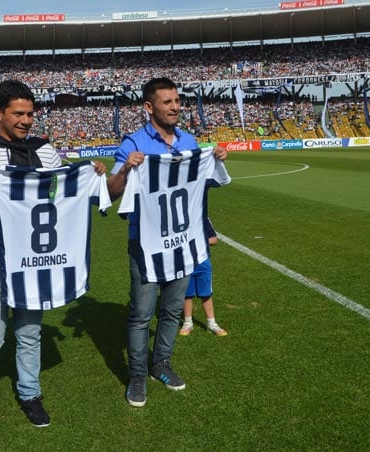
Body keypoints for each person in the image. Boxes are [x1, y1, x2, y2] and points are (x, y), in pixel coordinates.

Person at [0, 79, 106, 450]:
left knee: (29, 334)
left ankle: (30, 395)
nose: (27, 120)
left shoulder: (45, 151)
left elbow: (63, 193)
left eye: (30, 113)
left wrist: (91, 177)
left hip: (35, 262)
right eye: (18, 114)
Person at [106, 77, 229, 408]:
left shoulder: (189, 141)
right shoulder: (133, 143)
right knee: (141, 314)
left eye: (177, 101)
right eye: (167, 102)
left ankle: (161, 363)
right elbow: (110, 192)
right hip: (146, 245)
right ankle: (136, 375)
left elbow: (204, 185)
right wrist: (125, 171)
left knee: (172, 310)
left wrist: (215, 158)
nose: (175, 107)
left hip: (183, 241)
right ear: (149, 107)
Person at [179, 217, 227, 337]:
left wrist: (200, 241)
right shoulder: (178, 219)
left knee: (206, 293)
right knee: (187, 294)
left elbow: (214, 240)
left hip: (203, 263)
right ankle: (188, 322)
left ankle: (212, 323)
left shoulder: (203, 218)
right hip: (186, 263)